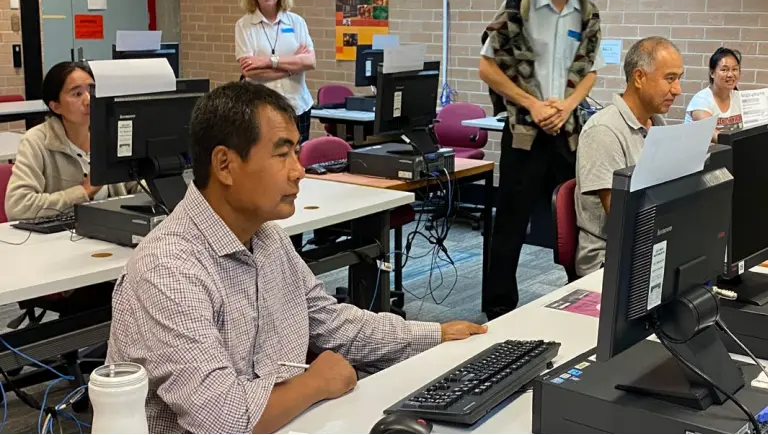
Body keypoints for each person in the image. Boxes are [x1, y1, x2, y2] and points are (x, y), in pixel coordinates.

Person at [106, 82, 487, 434]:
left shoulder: (267, 237)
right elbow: (222, 420)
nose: (298, 170)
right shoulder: (169, 270)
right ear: (225, 165)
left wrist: (436, 335)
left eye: (296, 151)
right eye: (282, 153)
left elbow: (333, 324)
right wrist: (315, 383)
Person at [478, 0, 604, 320]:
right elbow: (487, 66)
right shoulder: (520, 6)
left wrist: (567, 107)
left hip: (566, 134)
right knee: (510, 227)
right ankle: (497, 310)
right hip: (524, 135)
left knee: (578, 220)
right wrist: (531, 105)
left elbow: (590, 72)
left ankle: (579, 298)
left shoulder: (587, 12)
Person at [574, 37, 683, 277]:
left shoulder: (658, 124)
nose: (677, 89)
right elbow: (624, 217)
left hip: (652, 244)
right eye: (670, 78)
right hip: (610, 257)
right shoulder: (603, 131)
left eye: (678, 78)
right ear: (639, 78)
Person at [5, 61, 141, 222]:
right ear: (56, 106)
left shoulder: (110, 134)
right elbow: (17, 206)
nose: (89, 100)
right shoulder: (37, 141)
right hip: (60, 238)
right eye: (77, 94)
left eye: (92, 90)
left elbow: (135, 185)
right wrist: (84, 191)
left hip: (113, 228)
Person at [235, 0, 317, 143]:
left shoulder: (297, 22)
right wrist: (294, 66)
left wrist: (267, 61)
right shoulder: (244, 25)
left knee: (296, 164)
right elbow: (250, 72)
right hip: (262, 112)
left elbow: (310, 62)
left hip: (298, 107)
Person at [685, 47, 743, 138]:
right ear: (712, 73)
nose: (730, 74)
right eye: (724, 70)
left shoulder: (740, 99)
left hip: (729, 150)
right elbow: (711, 134)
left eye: (735, 69)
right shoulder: (701, 100)